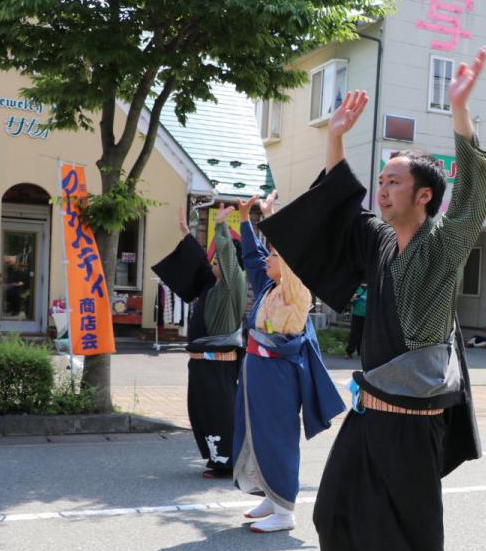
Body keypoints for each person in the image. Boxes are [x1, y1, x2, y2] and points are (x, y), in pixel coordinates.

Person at [257, 47, 486, 551]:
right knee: (334, 513)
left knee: (409, 540)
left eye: (395, 180)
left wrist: (458, 106)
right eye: (383, 180)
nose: (383, 187)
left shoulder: (442, 247)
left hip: (411, 427)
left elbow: (475, 193)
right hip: (369, 417)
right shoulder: (379, 243)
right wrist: (334, 136)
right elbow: (340, 211)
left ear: (424, 195)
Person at [231, 192, 345, 533]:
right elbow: (252, 257)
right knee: (253, 433)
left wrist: (273, 218)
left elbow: (292, 256)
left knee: (277, 436)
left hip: (278, 373)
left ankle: (285, 511)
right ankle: (270, 494)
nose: (269, 258)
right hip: (256, 370)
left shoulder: (296, 291)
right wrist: (246, 222)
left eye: (276, 254)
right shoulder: (269, 287)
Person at [151, 203, 248, 479]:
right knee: (201, 412)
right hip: (202, 364)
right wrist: (186, 233)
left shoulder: (233, 283)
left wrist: (220, 225)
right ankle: (217, 458)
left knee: (219, 413)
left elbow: (228, 259)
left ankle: (226, 462)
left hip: (219, 365)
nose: (213, 263)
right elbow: (199, 263)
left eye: (216, 260)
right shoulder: (212, 283)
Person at [345, 283, 369, 358]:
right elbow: (350, 300)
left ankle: (361, 353)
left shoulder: (372, 288)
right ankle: (349, 352)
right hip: (357, 314)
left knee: (364, 335)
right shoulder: (357, 288)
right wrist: (354, 298)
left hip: (368, 316)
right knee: (354, 334)